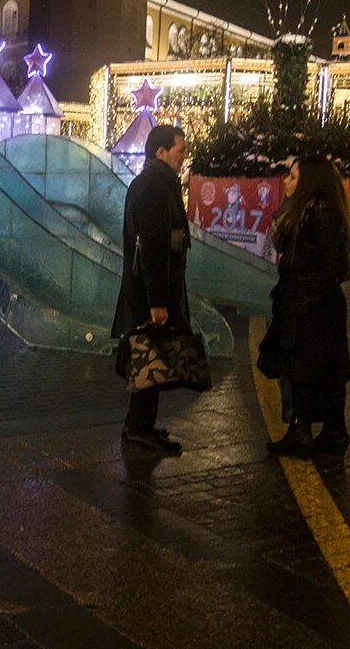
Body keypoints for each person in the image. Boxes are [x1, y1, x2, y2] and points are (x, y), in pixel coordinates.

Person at [263, 156, 350, 458]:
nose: (286, 181)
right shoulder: (304, 211)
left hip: (315, 308)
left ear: (310, 182)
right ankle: (325, 431)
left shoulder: (322, 213)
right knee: (308, 368)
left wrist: (306, 298)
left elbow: (334, 266)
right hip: (303, 302)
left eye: (293, 177)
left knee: (311, 369)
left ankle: (313, 432)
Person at [112, 125, 191, 454]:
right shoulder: (155, 186)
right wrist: (158, 301)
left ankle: (140, 423)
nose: (183, 157)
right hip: (150, 292)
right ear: (160, 152)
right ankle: (140, 428)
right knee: (149, 353)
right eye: (179, 151)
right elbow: (153, 248)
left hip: (148, 288)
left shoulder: (155, 182)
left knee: (152, 352)